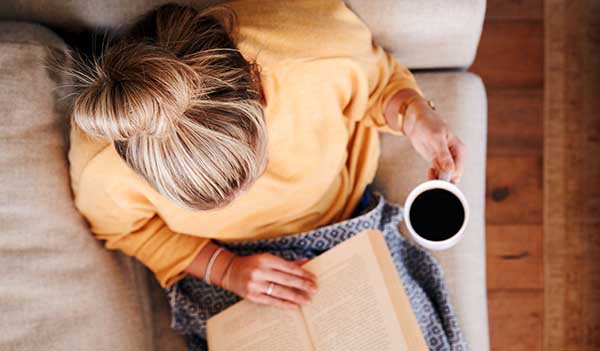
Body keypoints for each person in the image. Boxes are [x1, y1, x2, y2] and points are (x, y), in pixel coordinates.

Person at [66, 0, 465, 313]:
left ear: (256, 83)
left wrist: (415, 114)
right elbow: (124, 230)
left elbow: (379, 84)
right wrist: (225, 269)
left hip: (344, 220)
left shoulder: (313, 48)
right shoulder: (103, 159)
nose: (246, 198)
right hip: (228, 262)